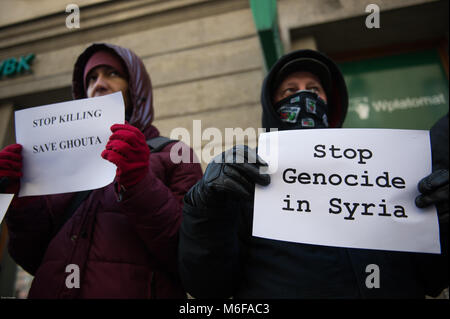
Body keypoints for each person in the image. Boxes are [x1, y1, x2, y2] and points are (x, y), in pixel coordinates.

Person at [178, 49, 449, 298]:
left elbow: (432, 276)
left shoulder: (382, 170)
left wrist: (443, 222)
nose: (305, 97)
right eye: (289, 91)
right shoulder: (246, 174)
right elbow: (208, 287)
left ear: (331, 103)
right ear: (272, 106)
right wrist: (207, 207)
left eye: (314, 89)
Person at [0, 43, 203, 298]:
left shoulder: (174, 154)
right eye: (92, 78)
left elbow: (192, 255)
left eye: (112, 74)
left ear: (137, 89)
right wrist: (21, 202)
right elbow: (32, 258)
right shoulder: (57, 158)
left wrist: (140, 183)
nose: (99, 84)